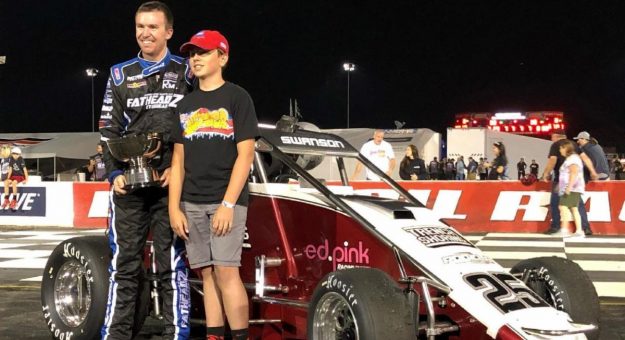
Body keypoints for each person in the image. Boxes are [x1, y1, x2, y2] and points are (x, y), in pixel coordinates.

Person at [98, 2, 192, 339]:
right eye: (140, 26)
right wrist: (114, 174)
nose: (145, 33)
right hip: (129, 186)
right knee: (123, 267)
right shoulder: (120, 73)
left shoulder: (187, 71)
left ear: (168, 31)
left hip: (171, 185)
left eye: (152, 27)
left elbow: (197, 128)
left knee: (171, 265)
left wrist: (179, 170)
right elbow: (108, 131)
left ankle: (176, 334)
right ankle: (116, 335)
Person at [169, 29, 259, 340]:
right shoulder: (184, 106)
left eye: (203, 52)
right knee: (205, 273)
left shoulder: (237, 97)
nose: (195, 58)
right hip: (190, 203)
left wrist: (228, 204)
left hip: (225, 202)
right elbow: (178, 162)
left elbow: (245, 155)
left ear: (222, 57)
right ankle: (214, 335)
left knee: (226, 271)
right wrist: (173, 208)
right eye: (192, 53)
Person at [541, 130, 595, 236]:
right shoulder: (574, 144)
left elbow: (552, 160)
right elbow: (585, 158)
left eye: (552, 137)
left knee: (557, 204)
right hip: (576, 183)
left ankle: (556, 227)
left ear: (555, 136)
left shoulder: (556, 145)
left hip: (563, 181)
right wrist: (592, 171)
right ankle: (585, 228)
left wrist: (546, 173)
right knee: (577, 206)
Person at [558, 140, 586, 237]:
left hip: (572, 188)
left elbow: (573, 172)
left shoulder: (572, 159)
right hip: (574, 187)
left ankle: (564, 230)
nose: (560, 150)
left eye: (561, 148)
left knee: (563, 207)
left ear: (566, 148)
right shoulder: (571, 158)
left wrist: (569, 187)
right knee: (574, 208)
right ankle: (579, 231)